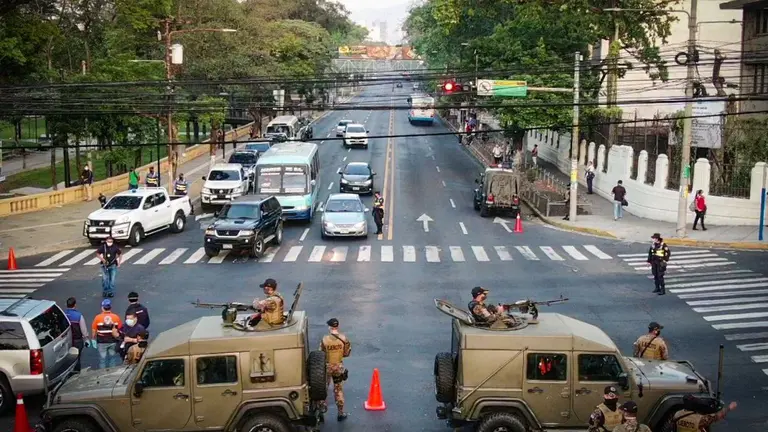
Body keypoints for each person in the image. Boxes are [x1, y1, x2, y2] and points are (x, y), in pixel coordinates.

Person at [319, 318, 351, 422]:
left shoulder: (325, 339)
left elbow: (321, 354)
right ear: (337, 326)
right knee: (338, 390)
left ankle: (321, 412)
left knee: (323, 389)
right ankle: (340, 413)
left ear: (329, 327)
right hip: (338, 367)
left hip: (327, 367)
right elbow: (346, 353)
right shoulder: (344, 339)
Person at [667, 395, 737, 432]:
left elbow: (672, 426)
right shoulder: (699, 420)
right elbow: (717, 417)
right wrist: (729, 408)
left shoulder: (677, 414)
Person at [92, 299, 122, 368]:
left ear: (102, 308)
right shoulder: (116, 317)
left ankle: (102, 373)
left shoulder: (97, 317)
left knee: (102, 360)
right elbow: (120, 329)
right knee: (112, 359)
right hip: (113, 341)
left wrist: (93, 339)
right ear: (110, 307)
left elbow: (94, 330)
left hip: (101, 341)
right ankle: (112, 372)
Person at [64, 297, 91, 372]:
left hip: (66, 340)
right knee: (77, 357)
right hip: (77, 340)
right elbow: (83, 329)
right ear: (75, 305)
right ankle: (76, 372)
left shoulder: (63, 314)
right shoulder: (78, 315)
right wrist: (86, 338)